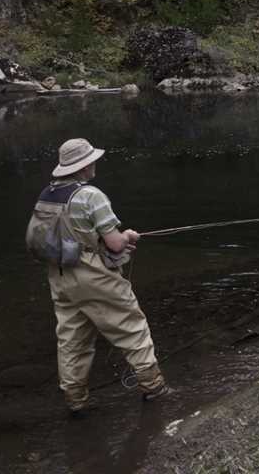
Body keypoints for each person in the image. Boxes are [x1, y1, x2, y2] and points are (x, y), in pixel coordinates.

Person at [33, 138, 169, 414]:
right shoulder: (91, 195)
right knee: (130, 326)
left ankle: (75, 401)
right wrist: (128, 235)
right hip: (92, 273)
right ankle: (153, 387)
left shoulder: (47, 194)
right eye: (91, 160)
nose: (95, 163)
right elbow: (116, 244)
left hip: (60, 276)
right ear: (84, 165)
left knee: (72, 340)